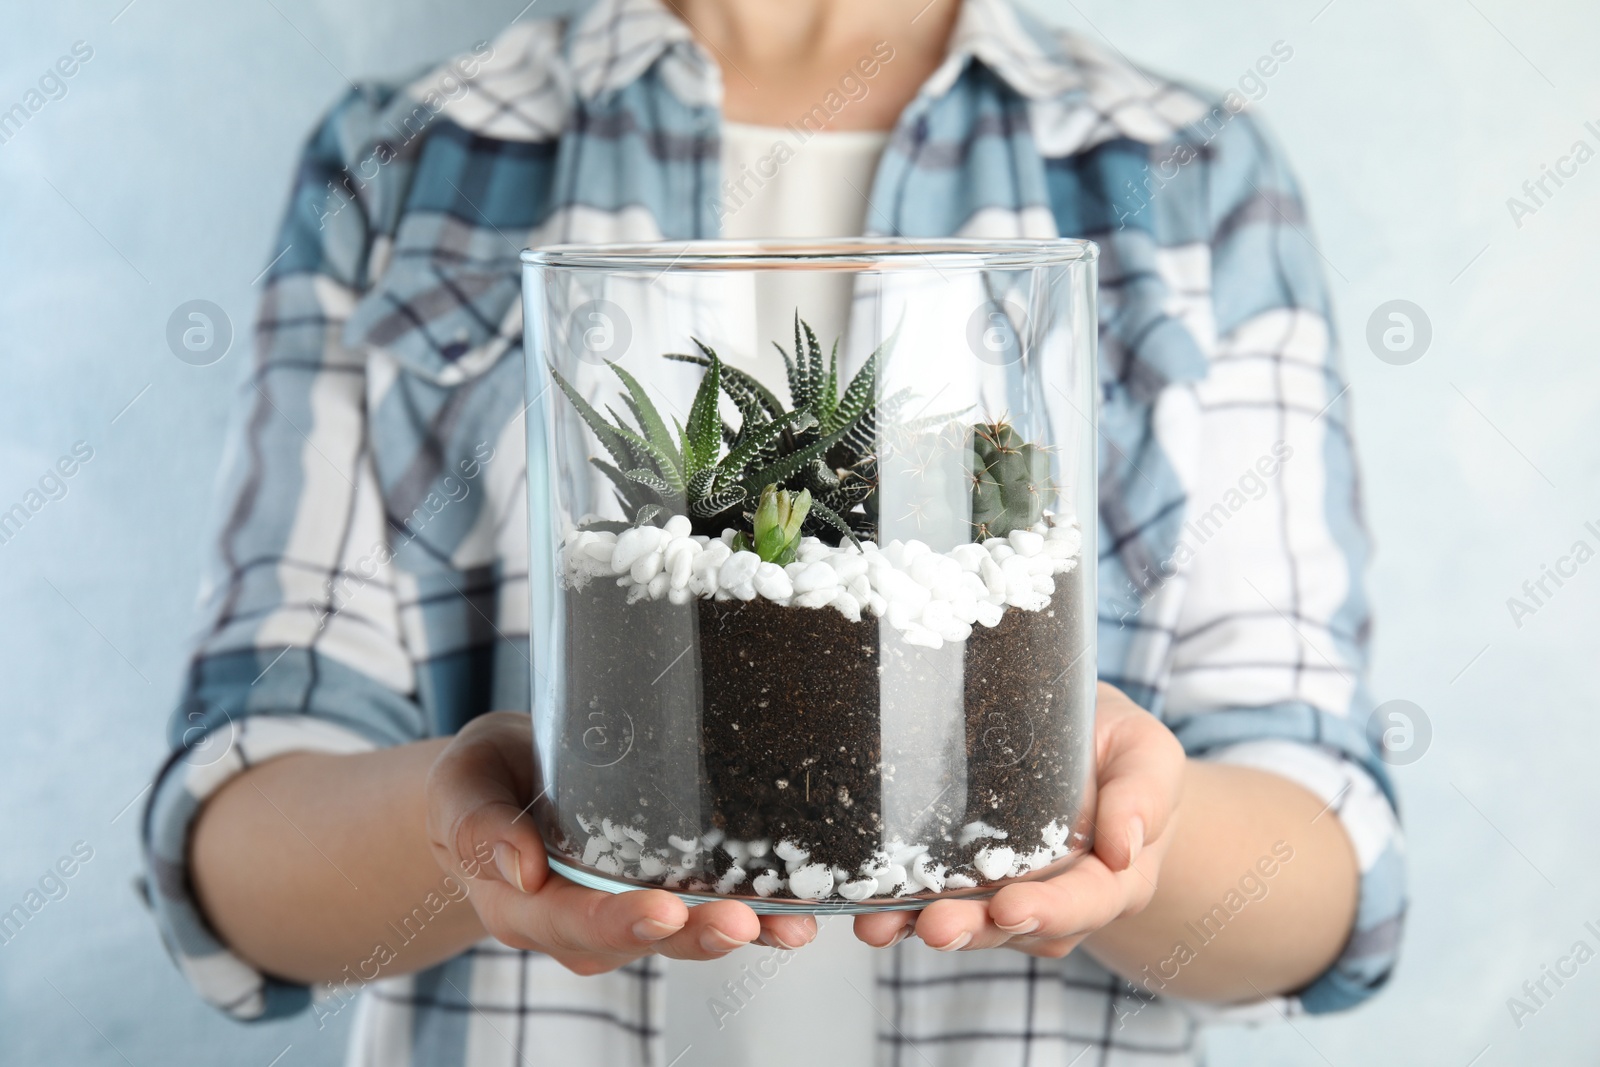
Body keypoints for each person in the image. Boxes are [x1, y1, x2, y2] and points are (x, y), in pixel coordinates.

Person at [140, 0, 1406, 1063]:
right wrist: (466, 825)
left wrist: (1127, 828)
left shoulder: (1190, 174)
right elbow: (237, 836)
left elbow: (1331, 868)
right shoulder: (408, 153)